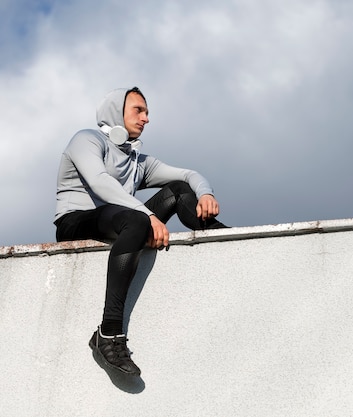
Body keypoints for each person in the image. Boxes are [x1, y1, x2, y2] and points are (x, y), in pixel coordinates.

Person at [54, 87, 227, 376]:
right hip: (76, 221)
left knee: (179, 191)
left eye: (147, 112)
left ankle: (226, 240)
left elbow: (188, 175)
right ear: (116, 113)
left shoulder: (138, 161)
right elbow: (99, 183)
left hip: (122, 219)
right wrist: (147, 215)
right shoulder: (86, 139)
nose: (146, 118)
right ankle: (108, 334)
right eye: (139, 110)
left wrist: (205, 194)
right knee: (135, 220)